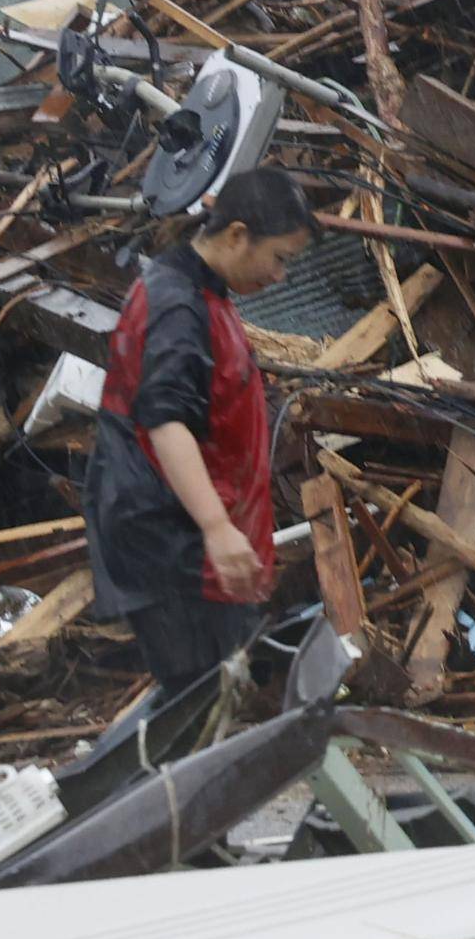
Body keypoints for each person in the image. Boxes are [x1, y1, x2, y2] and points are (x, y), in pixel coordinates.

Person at [85, 165, 316, 694]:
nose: (281, 276)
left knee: (217, 699)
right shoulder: (177, 304)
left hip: (188, 543)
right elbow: (164, 421)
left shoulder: (200, 293)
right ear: (237, 235)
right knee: (203, 702)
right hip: (171, 545)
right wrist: (216, 527)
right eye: (280, 258)